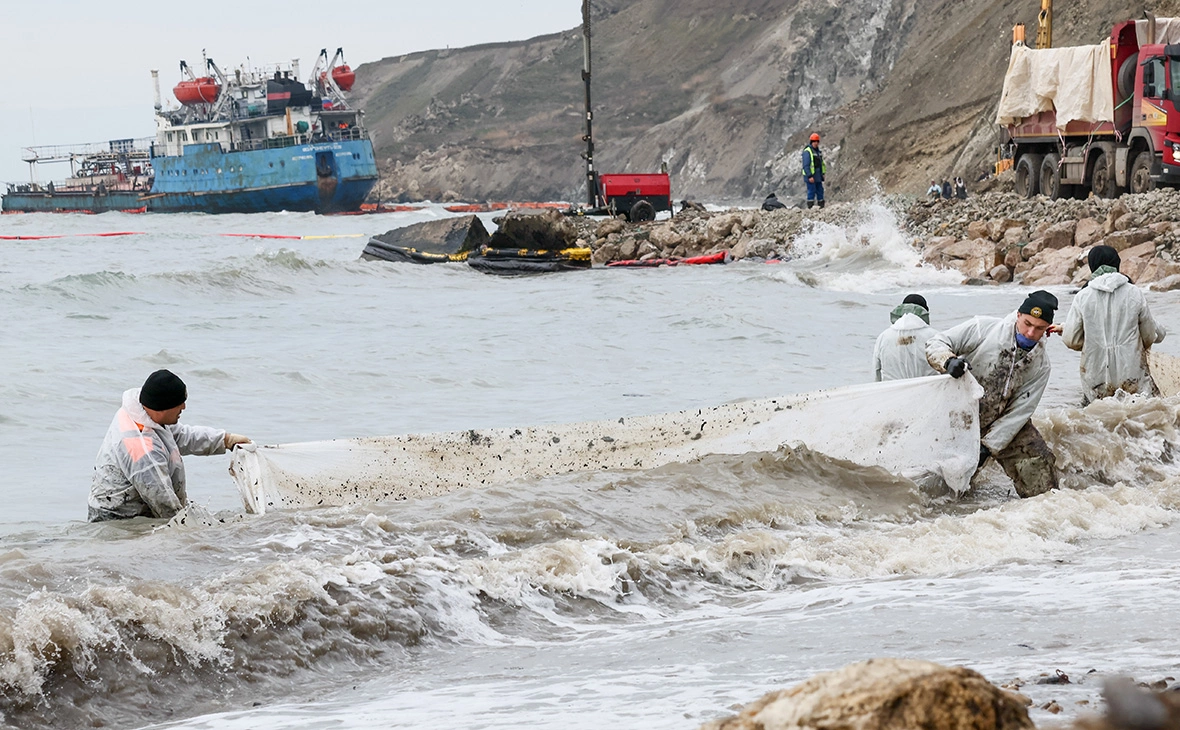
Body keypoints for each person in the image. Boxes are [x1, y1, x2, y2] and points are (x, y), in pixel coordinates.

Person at [925, 291, 1062, 498]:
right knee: (941, 485)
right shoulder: (984, 328)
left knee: (1040, 467)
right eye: (1027, 323)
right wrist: (948, 361)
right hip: (959, 415)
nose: (1030, 333)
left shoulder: (1041, 366)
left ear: (1047, 329)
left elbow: (1019, 412)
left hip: (1002, 420)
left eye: (1039, 328)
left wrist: (988, 447)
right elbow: (937, 341)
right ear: (1018, 315)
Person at [89, 369, 251, 522]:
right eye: (179, 404)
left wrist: (225, 440)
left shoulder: (144, 411)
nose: (184, 407)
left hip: (139, 510)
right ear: (162, 408)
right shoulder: (142, 449)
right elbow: (163, 503)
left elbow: (180, 435)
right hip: (118, 522)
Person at [1062, 245, 1167, 405]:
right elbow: (1149, 335)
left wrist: (1090, 342)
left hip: (1095, 376)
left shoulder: (1082, 296)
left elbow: (1071, 339)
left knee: (1099, 422)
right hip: (1132, 374)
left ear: (1092, 265)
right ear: (1117, 264)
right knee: (1141, 419)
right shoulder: (1134, 293)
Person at [873, 294, 939, 381]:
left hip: (893, 391)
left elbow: (876, 370)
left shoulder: (884, 337)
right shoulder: (934, 336)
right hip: (928, 390)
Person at [801, 133, 826, 209]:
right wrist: (809, 176)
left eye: (817, 141)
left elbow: (821, 164)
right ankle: (810, 207)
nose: (816, 143)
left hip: (817, 175)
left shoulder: (818, 152)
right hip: (811, 175)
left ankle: (821, 206)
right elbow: (806, 165)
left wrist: (823, 174)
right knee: (811, 191)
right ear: (811, 141)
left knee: (820, 190)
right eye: (814, 141)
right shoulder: (807, 151)